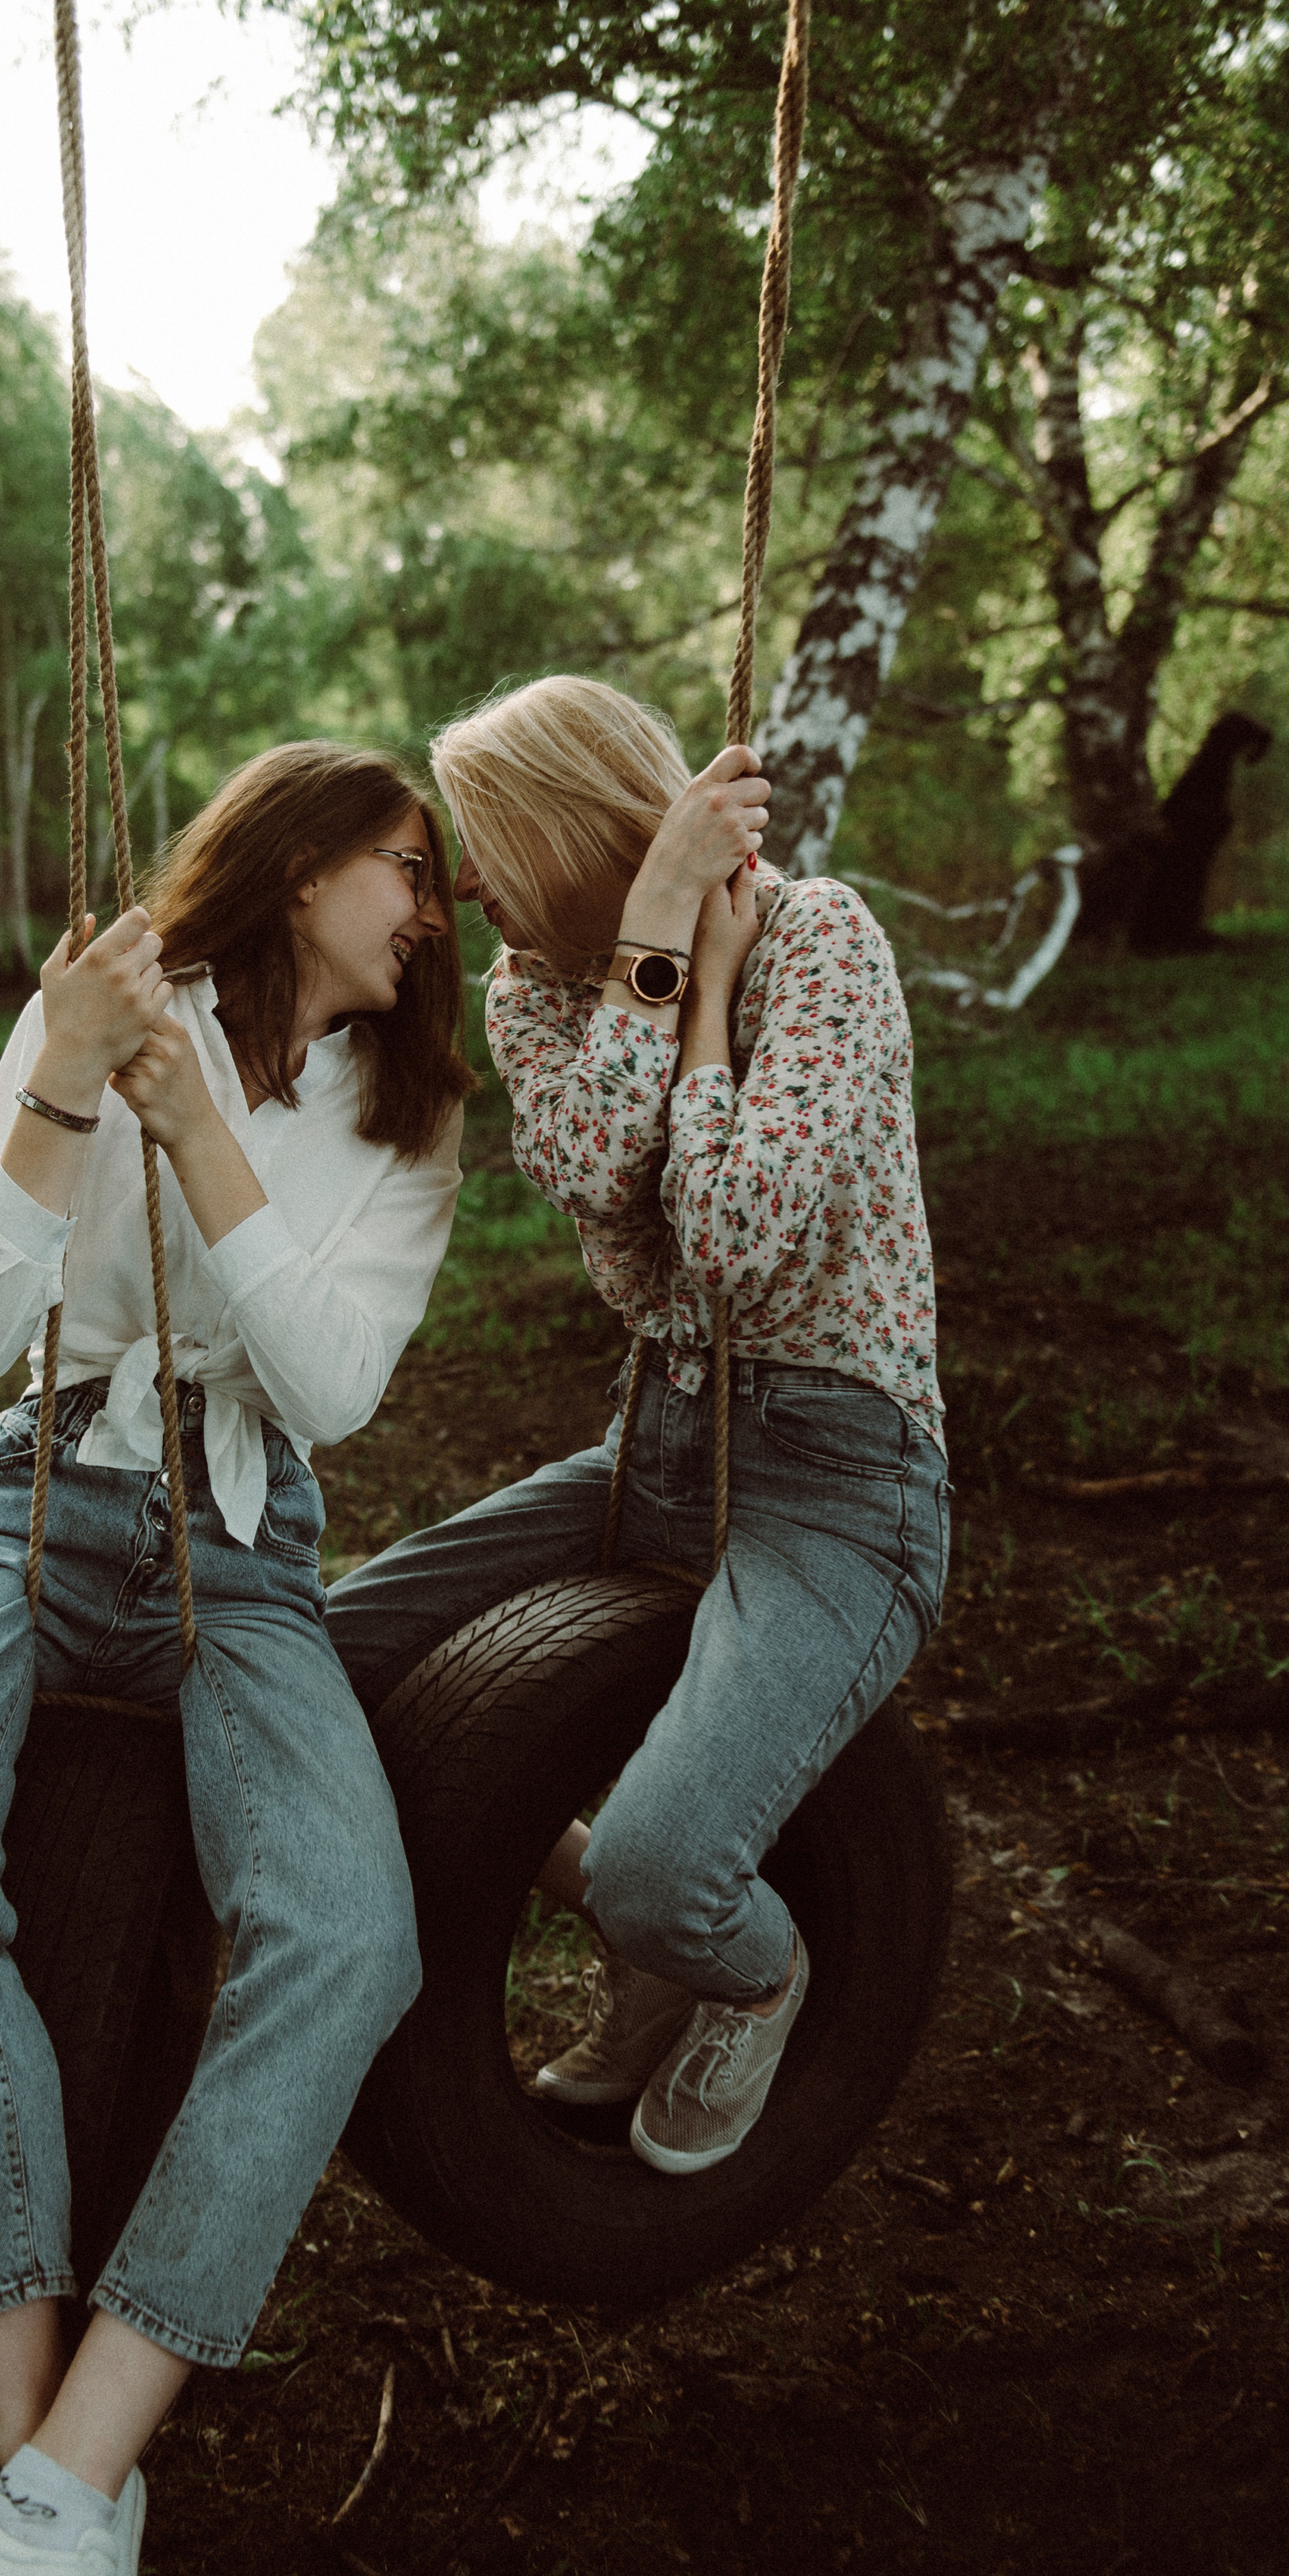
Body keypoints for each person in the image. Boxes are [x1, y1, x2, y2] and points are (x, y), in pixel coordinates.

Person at [0, 742, 473, 2576]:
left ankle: (71, 2467)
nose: (434, 917)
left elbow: (329, 1389)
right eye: (408, 868)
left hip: (243, 1547)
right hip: (31, 1493)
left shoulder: (408, 1117)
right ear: (300, 863)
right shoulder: (100, 1002)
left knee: (348, 1935)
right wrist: (73, 1081)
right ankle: (46, 2487)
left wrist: (199, 1137)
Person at [326, 676, 949, 2178]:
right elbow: (592, 1167)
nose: (464, 889)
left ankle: (749, 1969)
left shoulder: (822, 939)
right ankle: (639, 1935)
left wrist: (711, 1006)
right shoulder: (538, 988)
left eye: (481, 842)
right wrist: (662, 938)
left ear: (558, 827)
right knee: (317, 1662)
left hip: (838, 1482)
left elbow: (723, 1240)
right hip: (656, 1441)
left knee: (669, 1872)